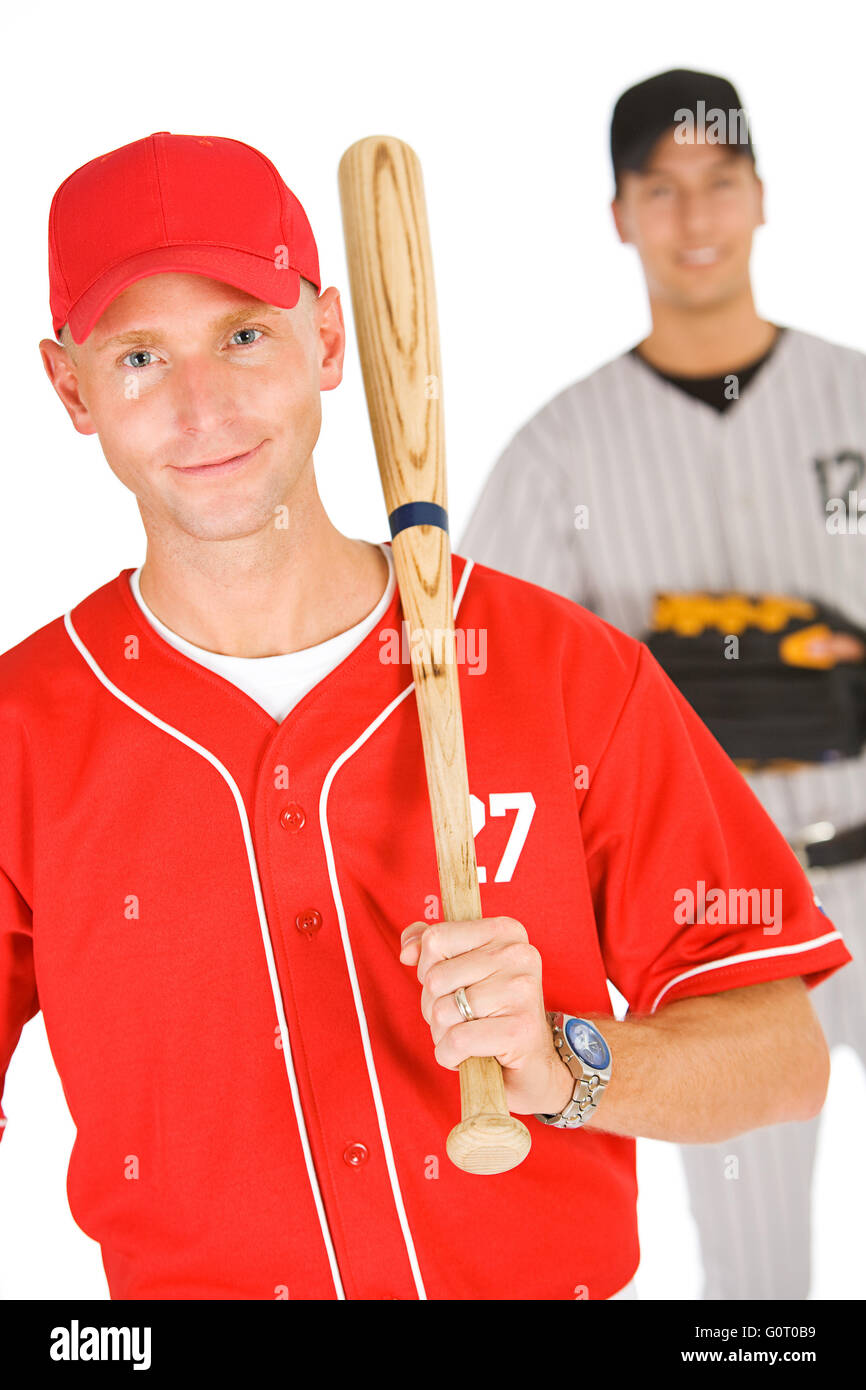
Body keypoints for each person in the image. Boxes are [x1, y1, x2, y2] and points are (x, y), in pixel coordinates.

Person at [0, 130, 851, 1302]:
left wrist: (566, 1061)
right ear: (70, 388)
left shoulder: (559, 667)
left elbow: (782, 1057)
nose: (201, 407)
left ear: (330, 338)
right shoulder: (23, 733)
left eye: (244, 335)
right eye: (139, 356)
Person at [459, 69, 866, 1299]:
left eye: (718, 183)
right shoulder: (555, 449)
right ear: (619, 213)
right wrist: (661, 695)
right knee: (755, 1285)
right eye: (660, 189)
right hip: (710, 920)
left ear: (758, 198)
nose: (694, 219)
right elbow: (472, 683)